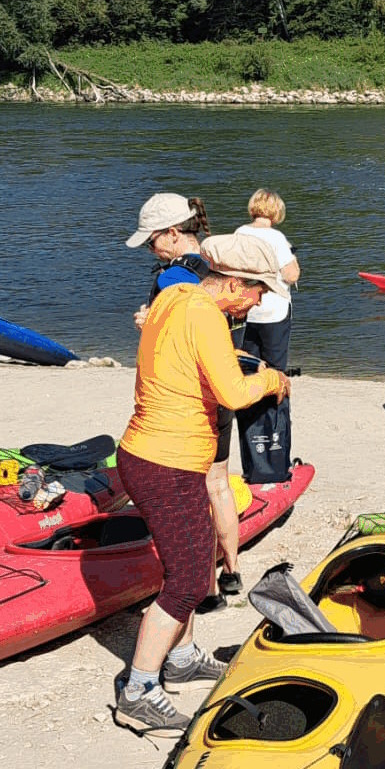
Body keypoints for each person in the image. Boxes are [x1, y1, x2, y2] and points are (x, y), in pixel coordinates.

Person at [113, 234, 291, 731]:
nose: (258, 302)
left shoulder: (175, 293)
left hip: (154, 455)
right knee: (190, 578)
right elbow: (234, 394)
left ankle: (183, 656)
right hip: (164, 462)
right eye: (257, 293)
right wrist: (273, 380)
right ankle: (140, 689)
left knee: (195, 552)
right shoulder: (208, 315)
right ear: (234, 283)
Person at [127, 192, 247, 604]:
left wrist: (149, 320)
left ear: (174, 233)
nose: (149, 249)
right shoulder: (223, 260)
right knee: (221, 486)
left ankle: (205, 588)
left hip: (189, 401)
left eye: (151, 240)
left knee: (197, 493)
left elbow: (177, 330)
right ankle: (231, 569)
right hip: (226, 384)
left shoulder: (175, 276)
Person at [235, 189, 299, 483]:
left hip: (247, 311)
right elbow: (292, 274)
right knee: (276, 373)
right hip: (273, 310)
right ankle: (274, 443)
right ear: (276, 212)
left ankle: (253, 447)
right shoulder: (276, 239)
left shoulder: (239, 233)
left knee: (249, 370)